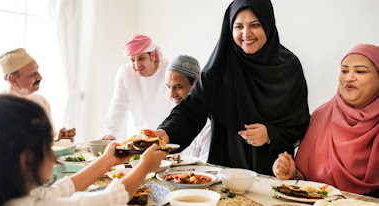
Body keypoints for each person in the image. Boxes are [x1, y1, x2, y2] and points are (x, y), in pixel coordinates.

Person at [155, 0, 310, 175]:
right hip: (227, 170)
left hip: (275, 171)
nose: (246, 33)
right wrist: (165, 133)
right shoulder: (219, 68)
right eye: (238, 27)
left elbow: (299, 121)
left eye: (255, 25)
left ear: (268, 24)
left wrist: (270, 134)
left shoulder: (289, 67)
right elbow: (191, 110)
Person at [0, 94, 167, 206]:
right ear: (24, 160)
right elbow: (111, 199)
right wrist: (144, 168)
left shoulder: (15, 195)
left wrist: (107, 161)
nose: (54, 157)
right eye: (48, 147)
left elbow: (62, 189)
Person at [273, 44, 379, 196]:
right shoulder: (321, 116)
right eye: (344, 70)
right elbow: (306, 180)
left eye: (360, 71)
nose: (349, 77)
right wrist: (291, 174)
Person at [103, 34, 175, 141]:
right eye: (132, 60)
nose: (137, 65)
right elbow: (118, 106)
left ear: (153, 56)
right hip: (136, 140)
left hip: (167, 138)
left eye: (141, 58)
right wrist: (111, 133)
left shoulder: (169, 71)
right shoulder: (125, 72)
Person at [0, 48, 76, 142]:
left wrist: (60, 141)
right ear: (13, 80)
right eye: (33, 74)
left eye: (38, 71)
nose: (40, 77)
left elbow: (44, 145)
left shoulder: (41, 101)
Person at [165, 55, 211, 162]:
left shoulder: (209, 124)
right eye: (168, 87)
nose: (172, 94)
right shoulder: (171, 117)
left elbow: (208, 168)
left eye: (178, 87)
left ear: (196, 82)